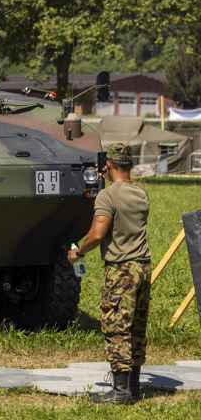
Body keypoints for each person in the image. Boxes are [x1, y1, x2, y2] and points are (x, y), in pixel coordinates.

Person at [66, 143, 151, 404]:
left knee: (116, 327)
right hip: (143, 266)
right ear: (132, 165)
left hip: (121, 269)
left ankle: (121, 392)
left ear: (108, 166)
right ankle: (134, 387)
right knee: (136, 327)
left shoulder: (107, 195)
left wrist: (78, 253)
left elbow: (97, 234)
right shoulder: (141, 193)